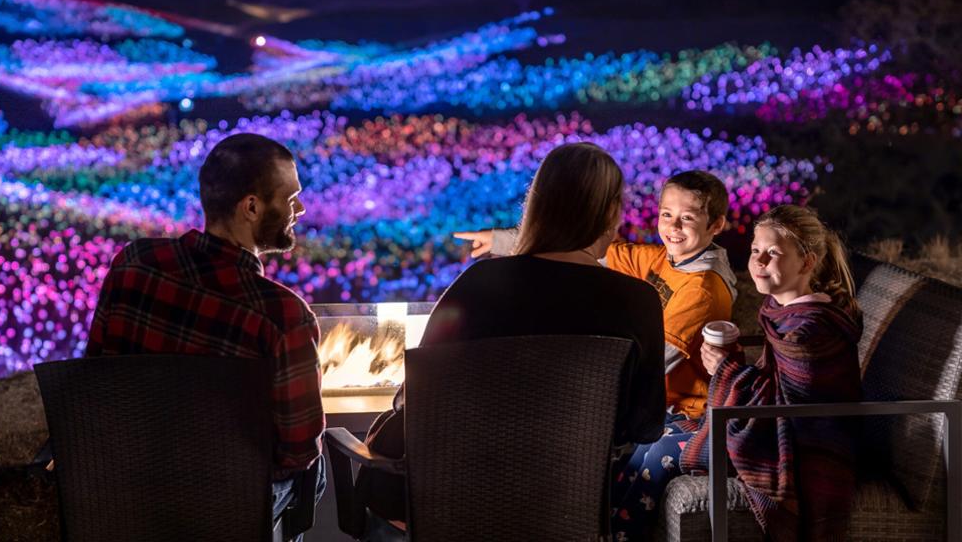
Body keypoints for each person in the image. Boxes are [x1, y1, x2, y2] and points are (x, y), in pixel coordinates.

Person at [358, 142, 667, 539]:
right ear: (609, 212)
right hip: (568, 513)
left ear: (536, 205)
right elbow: (646, 426)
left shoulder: (477, 285)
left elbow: (416, 397)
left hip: (450, 510)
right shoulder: (637, 301)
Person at [85, 132, 326, 526]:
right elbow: (298, 450)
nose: (299, 207)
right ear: (251, 207)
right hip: (224, 510)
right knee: (316, 473)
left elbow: (95, 374)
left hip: (126, 490)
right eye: (290, 197)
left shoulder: (133, 263)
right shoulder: (283, 316)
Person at [609, 204, 862, 541]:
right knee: (651, 432)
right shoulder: (781, 309)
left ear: (807, 261)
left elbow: (792, 406)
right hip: (768, 425)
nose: (758, 261)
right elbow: (773, 385)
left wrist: (726, 369)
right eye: (756, 250)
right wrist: (732, 362)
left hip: (795, 445)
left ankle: (624, 535)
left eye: (772, 253)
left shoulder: (813, 328)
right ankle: (610, 528)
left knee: (658, 453)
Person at [456, 170, 736, 420]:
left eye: (687, 218)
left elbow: (654, 361)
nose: (673, 227)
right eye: (667, 214)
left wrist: (574, 378)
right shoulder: (663, 259)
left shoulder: (702, 289)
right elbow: (587, 251)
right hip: (656, 401)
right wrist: (503, 241)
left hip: (683, 413)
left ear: (715, 224)